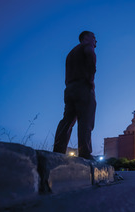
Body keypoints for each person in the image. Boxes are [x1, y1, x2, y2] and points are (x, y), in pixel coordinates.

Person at [53, 31, 97, 160]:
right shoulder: (87, 47)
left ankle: (58, 151)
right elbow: (91, 60)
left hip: (70, 88)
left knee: (67, 120)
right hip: (83, 87)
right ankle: (85, 153)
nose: (95, 42)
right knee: (86, 120)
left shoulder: (71, 53)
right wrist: (91, 80)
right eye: (94, 38)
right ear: (86, 38)